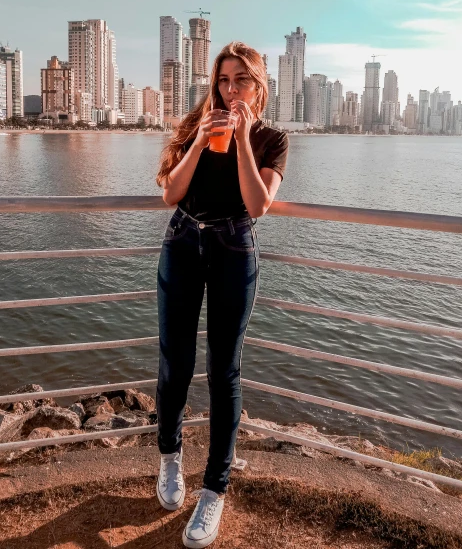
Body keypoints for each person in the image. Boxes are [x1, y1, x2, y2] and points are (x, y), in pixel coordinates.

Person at [155, 41, 289, 548]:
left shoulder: (273, 139)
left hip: (235, 246)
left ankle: (215, 490)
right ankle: (170, 456)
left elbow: (257, 205)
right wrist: (199, 140)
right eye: (224, 81)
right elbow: (170, 192)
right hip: (183, 240)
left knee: (224, 370)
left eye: (242, 81)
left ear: (259, 86)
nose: (231, 90)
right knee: (175, 362)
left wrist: (244, 139)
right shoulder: (197, 124)